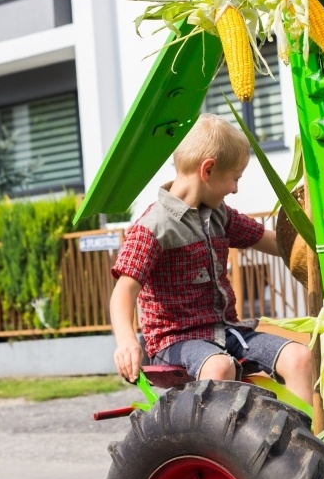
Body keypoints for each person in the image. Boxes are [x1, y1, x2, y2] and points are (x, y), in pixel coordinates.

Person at [109, 113, 313, 404]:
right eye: (235, 178)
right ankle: (216, 433)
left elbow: (275, 243)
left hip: (226, 331)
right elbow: (123, 291)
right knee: (219, 366)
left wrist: (314, 246)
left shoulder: (219, 215)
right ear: (208, 170)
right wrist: (126, 341)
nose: (235, 188)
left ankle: (302, 433)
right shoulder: (152, 228)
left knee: (300, 358)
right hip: (175, 340)